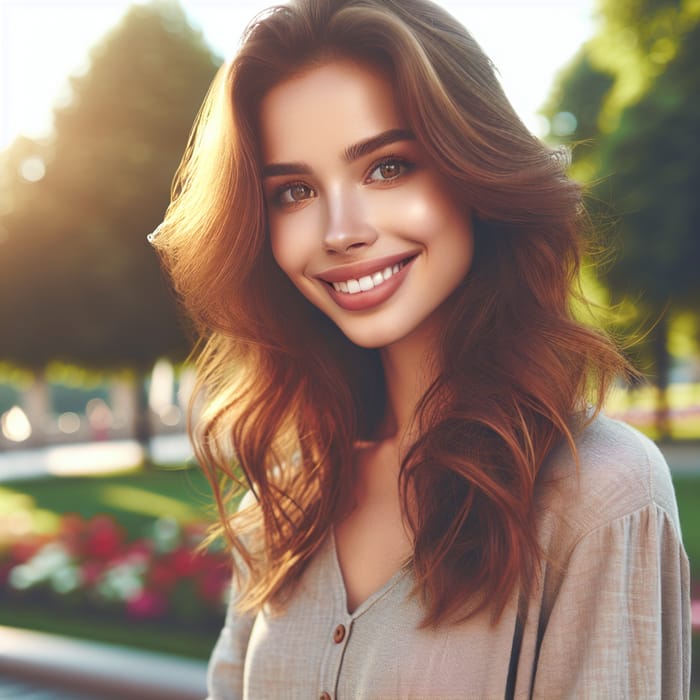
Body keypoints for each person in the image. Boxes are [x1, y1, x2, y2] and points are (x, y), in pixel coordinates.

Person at [150, 0, 690, 697]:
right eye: (294, 190)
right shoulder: (291, 489)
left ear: (475, 170)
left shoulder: (603, 497)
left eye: (387, 167)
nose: (341, 231)